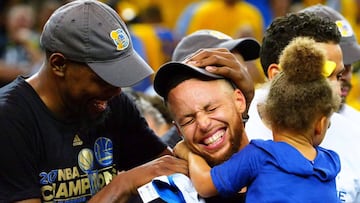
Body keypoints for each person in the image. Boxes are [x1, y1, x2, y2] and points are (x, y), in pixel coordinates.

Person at [0, 1, 189, 202]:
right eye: (103, 78)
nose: (117, 90)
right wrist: (123, 184)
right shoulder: (10, 119)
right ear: (59, 64)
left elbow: (167, 168)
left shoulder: (112, 103)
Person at [174, 36, 341, 202]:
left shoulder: (259, 156)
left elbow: (205, 184)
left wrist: (188, 153)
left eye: (211, 108)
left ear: (268, 117)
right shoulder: (330, 163)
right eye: (188, 120)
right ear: (321, 123)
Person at [246, 11, 360, 202]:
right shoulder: (233, 129)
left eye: (338, 76)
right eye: (323, 75)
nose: (336, 88)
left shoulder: (355, 135)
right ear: (277, 76)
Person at [299, 4, 360, 124]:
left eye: (349, 65)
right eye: (332, 66)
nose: (346, 76)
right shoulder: (256, 121)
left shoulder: (356, 124)